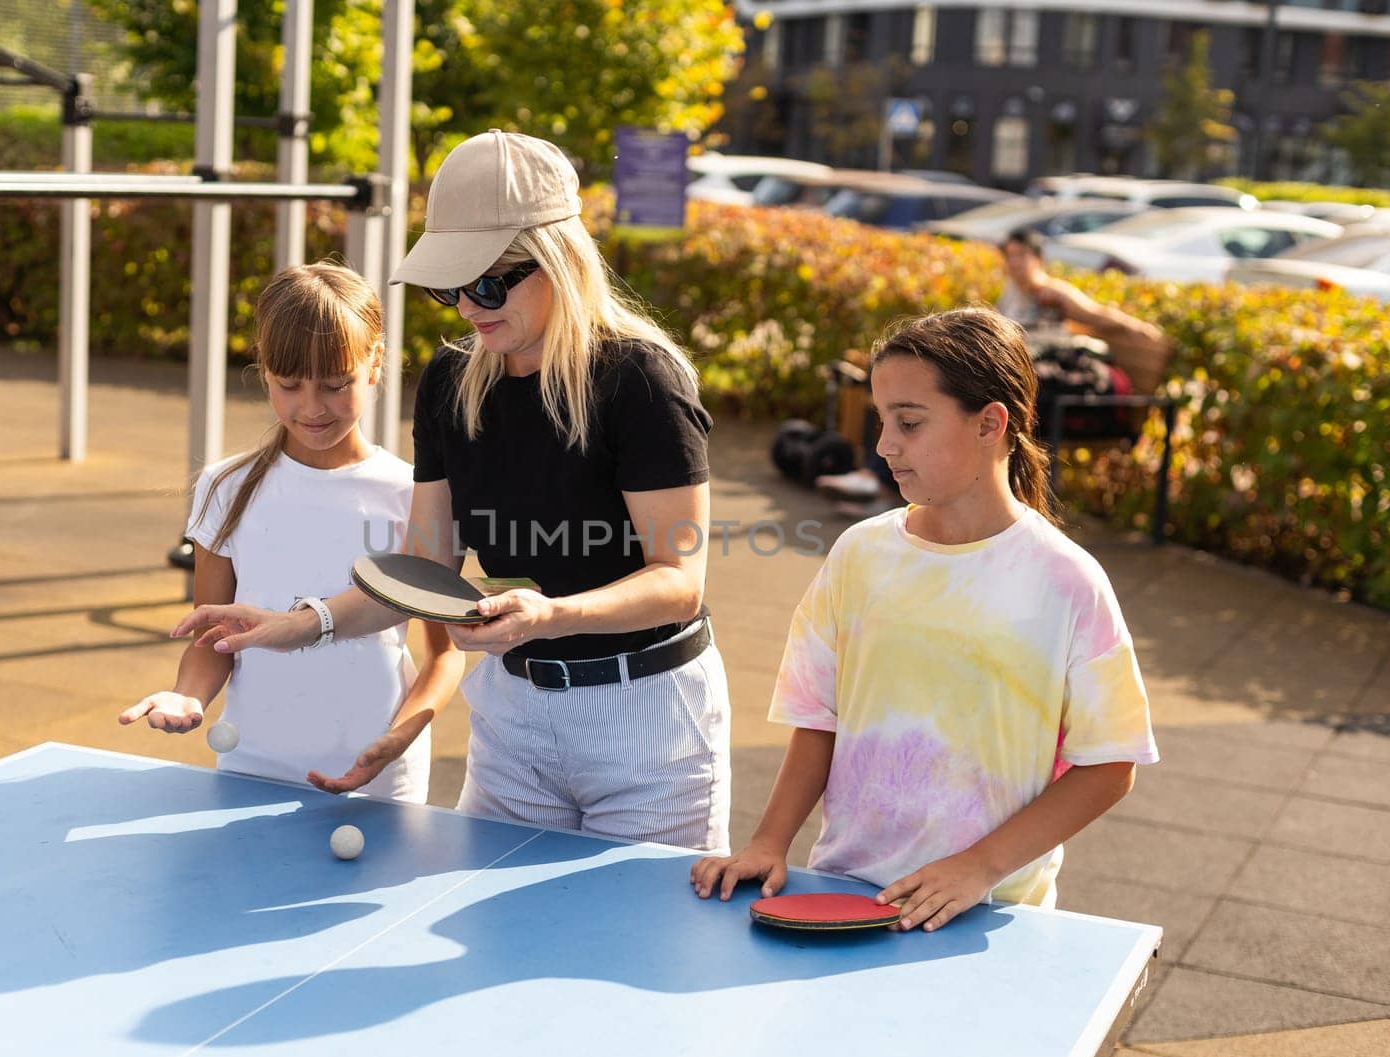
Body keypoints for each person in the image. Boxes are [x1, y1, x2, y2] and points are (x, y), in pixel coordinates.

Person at [172, 130, 731, 849]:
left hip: (647, 720)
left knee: (646, 950)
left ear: (558, 257)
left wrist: (548, 614)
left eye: (489, 282)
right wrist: (299, 623)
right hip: (512, 719)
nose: (468, 306)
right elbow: (425, 571)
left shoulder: (642, 381)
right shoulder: (450, 381)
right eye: (450, 286)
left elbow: (678, 582)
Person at [691, 307, 1157, 933]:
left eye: (909, 422)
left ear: (991, 423)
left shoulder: (1066, 580)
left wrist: (979, 866)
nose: (884, 445)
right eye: (882, 420)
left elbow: (1110, 763)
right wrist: (769, 842)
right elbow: (818, 717)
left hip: (990, 910)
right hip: (848, 894)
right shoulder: (859, 554)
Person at [120, 263, 465, 801]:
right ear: (264, 375)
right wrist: (187, 696)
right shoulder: (224, 488)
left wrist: (399, 738)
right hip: (252, 768)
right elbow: (214, 641)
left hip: (379, 782)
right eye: (289, 385)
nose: (312, 407)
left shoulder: (414, 494)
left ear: (375, 366)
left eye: (335, 385)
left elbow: (444, 654)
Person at [998, 226, 1171, 440]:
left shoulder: (1052, 293)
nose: (1014, 263)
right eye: (1010, 256)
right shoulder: (1012, 293)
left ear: (1038, 259)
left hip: (1052, 381)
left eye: (1021, 255)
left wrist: (1135, 326)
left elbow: (1094, 313)